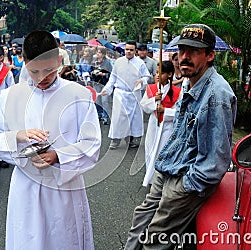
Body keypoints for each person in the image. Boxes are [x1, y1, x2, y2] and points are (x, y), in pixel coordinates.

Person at [0, 30, 101, 250]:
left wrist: (58, 155)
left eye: (48, 70)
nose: (41, 78)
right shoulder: (10, 96)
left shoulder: (79, 95)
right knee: (28, 240)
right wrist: (18, 136)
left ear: (59, 60)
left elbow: (91, 143)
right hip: (26, 186)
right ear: (24, 62)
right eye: (34, 71)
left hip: (64, 186)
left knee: (64, 238)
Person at [125, 24, 237, 250]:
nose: (184, 57)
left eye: (194, 51)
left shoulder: (217, 95)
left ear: (210, 55)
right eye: (182, 49)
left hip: (186, 179)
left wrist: (185, 186)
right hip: (168, 167)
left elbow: (216, 161)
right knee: (141, 221)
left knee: (156, 238)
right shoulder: (189, 81)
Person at [140, 60, 181, 190]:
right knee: (151, 151)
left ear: (169, 74)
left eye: (161, 72)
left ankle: (163, 180)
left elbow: (180, 113)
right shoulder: (151, 89)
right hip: (154, 125)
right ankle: (151, 179)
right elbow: (144, 107)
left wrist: (166, 111)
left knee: (164, 152)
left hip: (167, 127)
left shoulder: (177, 92)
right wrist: (154, 100)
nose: (157, 75)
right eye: (156, 72)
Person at [101, 40, 150, 149]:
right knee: (118, 118)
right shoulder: (118, 62)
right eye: (127, 49)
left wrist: (142, 80)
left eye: (131, 50)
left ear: (135, 51)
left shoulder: (140, 63)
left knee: (134, 118)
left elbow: (147, 76)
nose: (128, 52)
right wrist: (107, 89)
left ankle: (132, 139)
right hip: (120, 94)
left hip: (134, 94)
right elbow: (112, 78)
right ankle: (115, 140)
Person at [92, 46, 112, 124]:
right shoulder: (94, 61)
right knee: (97, 99)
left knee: (105, 101)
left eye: (100, 52)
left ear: (103, 54)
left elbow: (111, 73)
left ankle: (105, 117)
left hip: (104, 83)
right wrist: (93, 73)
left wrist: (103, 74)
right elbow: (91, 69)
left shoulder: (108, 62)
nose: (98, 54)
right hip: (96, 82)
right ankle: (99, 114)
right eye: (97, 52)